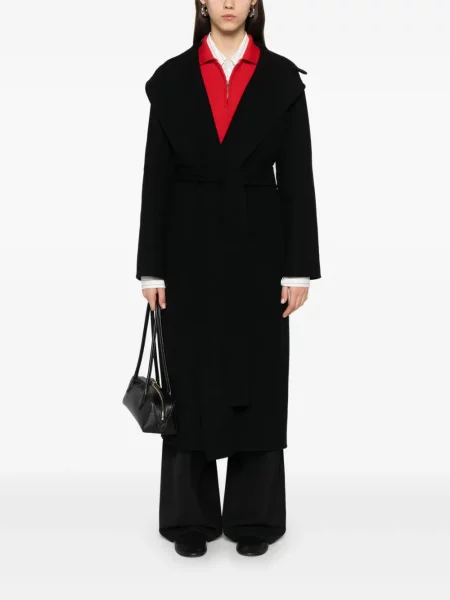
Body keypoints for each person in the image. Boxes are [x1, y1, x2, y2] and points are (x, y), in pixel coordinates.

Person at [135, 0, 321, 558]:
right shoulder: (172, 79)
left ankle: (254, 518)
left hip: (259, 249)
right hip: (186, 249)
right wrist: (151, 266)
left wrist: (298, 267)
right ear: (202, 3)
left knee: (257, 377)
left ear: (255, 3)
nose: (230, 2)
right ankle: (188, 519)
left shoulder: (281, 79)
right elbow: (155, 176)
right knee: (188, 375)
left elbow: (298, 174)